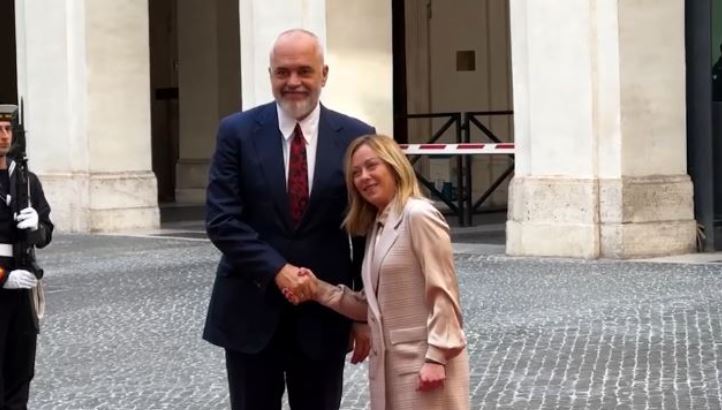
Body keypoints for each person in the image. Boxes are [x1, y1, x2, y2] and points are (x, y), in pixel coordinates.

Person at [202, 29, 375, 410]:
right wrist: (278, 270)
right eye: (282, 72)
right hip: (250, 310)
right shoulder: (236, 132)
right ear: (270, 76)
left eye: (304, 71)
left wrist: (364, 315)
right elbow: (221, 220)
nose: (293, 81)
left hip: (324, 316)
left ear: (323, 74)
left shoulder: (356, 137)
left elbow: (365, 234)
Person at [284, 134, 470, 410]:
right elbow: (371, 306)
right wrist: (318, 289)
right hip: (391, 369)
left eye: (372, 166)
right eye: (356, 172)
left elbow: (443, 291)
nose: (364, 177)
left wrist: (437, 357)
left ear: (394, 166)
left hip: (425, 367)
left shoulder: (418, 215)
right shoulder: (378, 226)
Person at [0, 104, 53, 409]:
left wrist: (37, 227)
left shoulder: (27, 180)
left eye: (8, 129)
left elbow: (46, 233)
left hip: (23, 288)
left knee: (21, 372)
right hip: (3, 281)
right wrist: (3, 277)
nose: (4, 136)